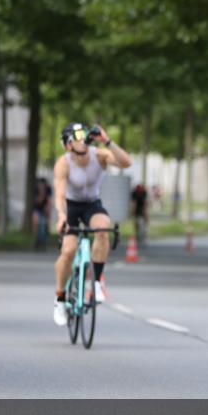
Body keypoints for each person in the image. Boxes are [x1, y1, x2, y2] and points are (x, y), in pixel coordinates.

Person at [52, 122, 132, 325]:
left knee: (103, 228)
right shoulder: (64, 163)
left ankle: (96, 281)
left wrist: (107, 141)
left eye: (84, 135)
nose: (83, 140)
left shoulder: (99, 155)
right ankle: (60, 299)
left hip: (91, 204)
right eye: (77, 137)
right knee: (68, 251)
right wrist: (61, 216)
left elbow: (126, 162)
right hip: (70, 206)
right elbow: (60, 194)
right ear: (69, 145)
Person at [32, 177, 52, 249]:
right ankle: (36, 240)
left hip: (45, 209)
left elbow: (50, 200)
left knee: (44, 225)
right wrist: (41, 193)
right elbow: (38, 201)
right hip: (37, 209)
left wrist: (48, 209)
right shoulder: (36, 189)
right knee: (36, 223)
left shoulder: (48, 189)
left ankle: (44, 242)